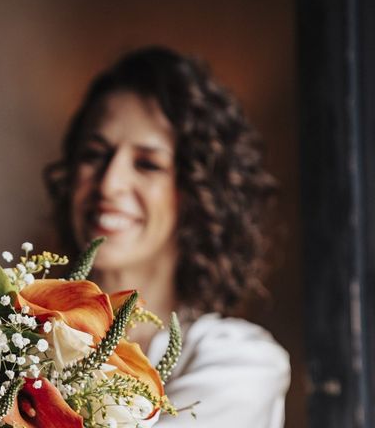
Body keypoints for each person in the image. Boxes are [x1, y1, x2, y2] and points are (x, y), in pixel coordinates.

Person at [44, 46, 290, 427]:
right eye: (95, 155)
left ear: (197, 192)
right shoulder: (10, 335)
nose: (109, 184)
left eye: (148, 164)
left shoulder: (241, 363)